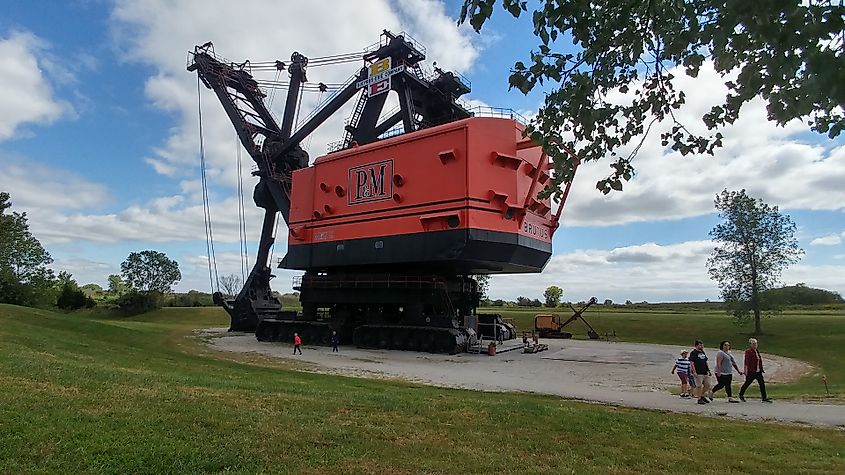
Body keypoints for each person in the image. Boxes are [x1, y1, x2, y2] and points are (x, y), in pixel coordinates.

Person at [739, 338, 772, 402]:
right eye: (753, 344)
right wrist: (745, 370)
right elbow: (746, 362)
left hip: (758, 371)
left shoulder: (756, 351)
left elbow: (759, 360)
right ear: (750, 345)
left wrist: (761, 368)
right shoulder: (748, 351)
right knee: (747, 383)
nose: (755, 345)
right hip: (751, 371)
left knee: (762, 384)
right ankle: (741, 394)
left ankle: (764, 397)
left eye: (756, 344)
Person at [689, 340, 713, 405]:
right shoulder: (693, 353)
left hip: (705, 371)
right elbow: (692, 363)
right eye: (700, 345)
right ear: (696, 346)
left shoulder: (703, 352)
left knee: (707, 384)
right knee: (699, 385)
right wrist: (694, 372)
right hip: (698, 372)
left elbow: (705, 361)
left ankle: (702, 395)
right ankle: (699, 399)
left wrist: (708, 370)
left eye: (702, 345)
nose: (702, 346)